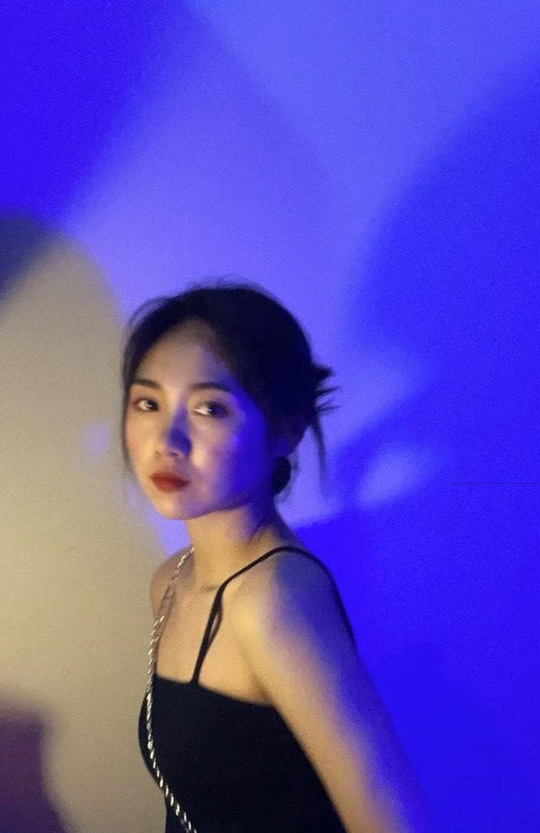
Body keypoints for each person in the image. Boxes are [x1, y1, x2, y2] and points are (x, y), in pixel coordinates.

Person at [121, 280, 432, 833]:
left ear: (284, 431)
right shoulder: (171, 581)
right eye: (148, 403)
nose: (167, 439)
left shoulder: (273, 600)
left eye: (210, 408)